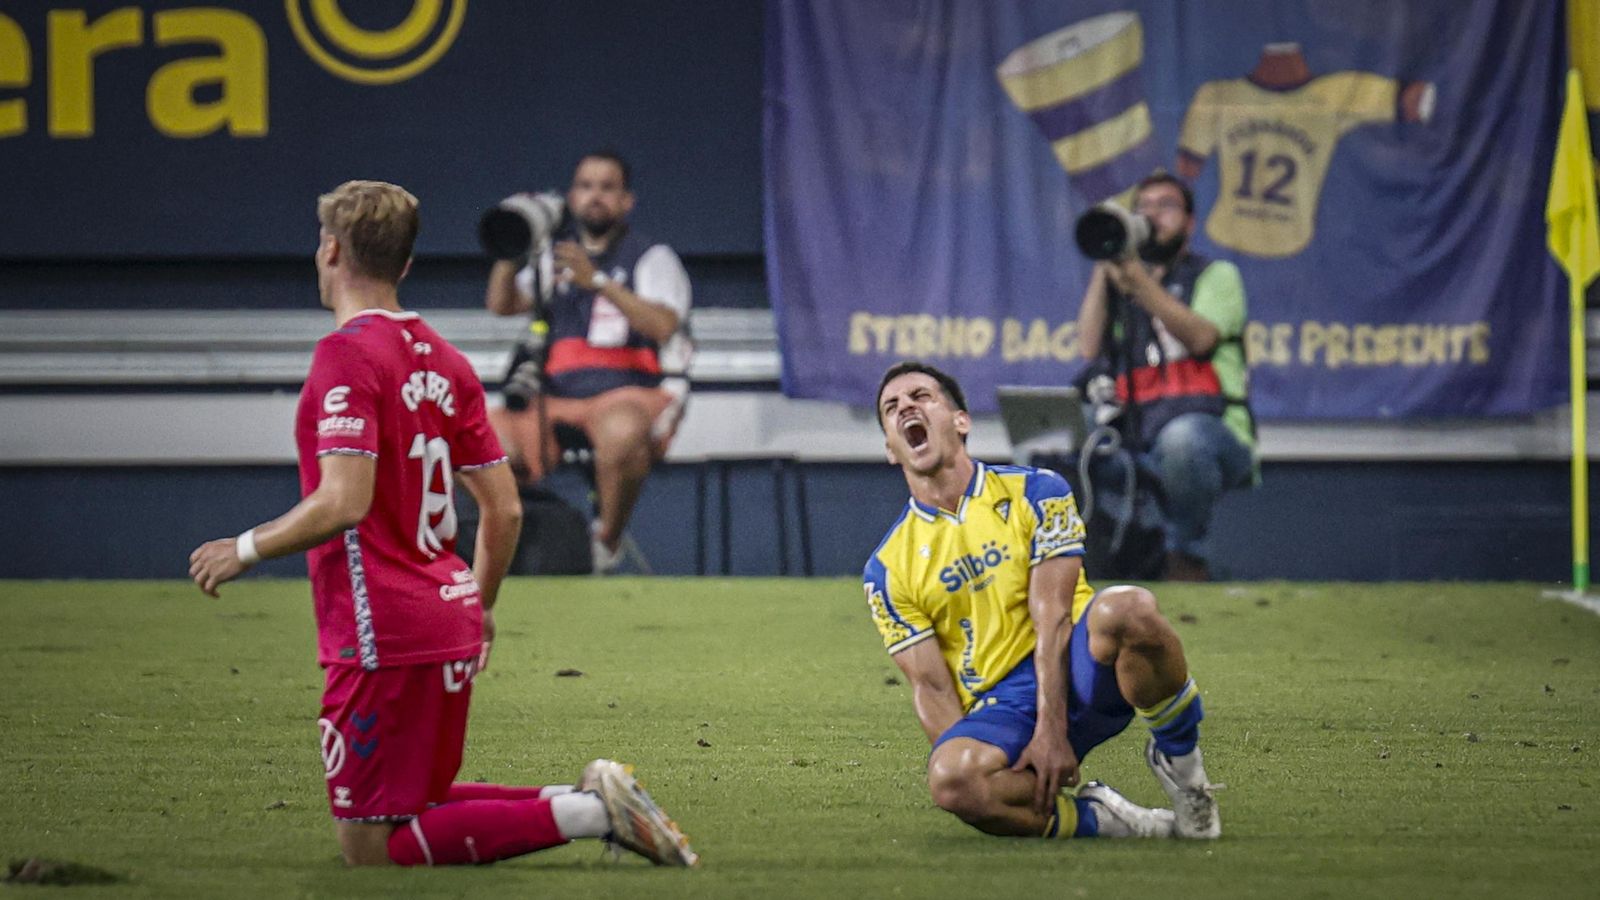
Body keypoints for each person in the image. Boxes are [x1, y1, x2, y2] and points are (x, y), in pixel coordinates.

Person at [188, 181, 697, 868]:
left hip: (381, 632)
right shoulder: (445, 360)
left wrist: (243, 548)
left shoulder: (346, 355)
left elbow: (343, 502)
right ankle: (587, 800)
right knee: (416, 799)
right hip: (447, 613)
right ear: (404, 263)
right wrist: (478, 604)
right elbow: (504, 507)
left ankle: (591, 812)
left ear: (331, 250)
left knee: (369, 844)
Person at [865, 360, 1221, 841]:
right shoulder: (886, 569)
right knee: (951, 781)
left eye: (921, 397)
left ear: (961, 421)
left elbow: (1051, 616)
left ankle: (1186, 772)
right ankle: (1111, 823)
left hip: (1080, 666)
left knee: (1129, 608)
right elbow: (931, 688)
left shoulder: (1038, 491)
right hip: (1003, 706)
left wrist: (1051, 731)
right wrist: (980, 769)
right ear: (890, 447)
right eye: (892, 407)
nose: (906, 406)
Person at [485, 150, 692, 574]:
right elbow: (502, 304)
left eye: (607, 187)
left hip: (629, 390)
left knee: (621, 430)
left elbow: (663, 326)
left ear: (626, 200)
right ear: (571, 196)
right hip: (555, 395)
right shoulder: (554, 254)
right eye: (585, 186)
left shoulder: (650, 256)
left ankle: (605, 543)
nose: (594, 196)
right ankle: (505, 549)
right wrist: (512, 245)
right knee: (484, 436)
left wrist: (596, 280)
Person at [1075, 172, 1255, 582]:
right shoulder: (1123, 282)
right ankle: (1076, 561)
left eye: (1166, 206)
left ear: (1190, 223)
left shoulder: (1216, 274)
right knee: (1059, 437)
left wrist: (1138, 280)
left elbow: (1201, 338)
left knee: (1182, 441)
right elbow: (1088, 347)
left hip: (1214, 430)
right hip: (1137, 428)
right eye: (1144, 207)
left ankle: (1186, 557)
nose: (1153, 215)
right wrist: (1107, 265)